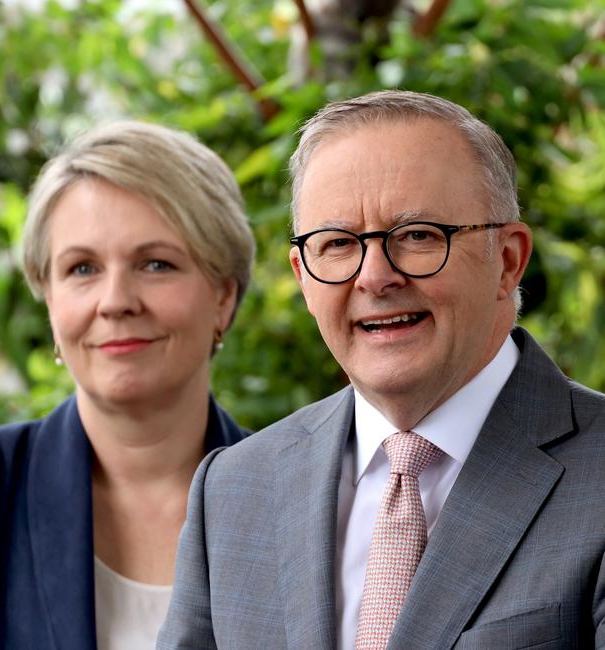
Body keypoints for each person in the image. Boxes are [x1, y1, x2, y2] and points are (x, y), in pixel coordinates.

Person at [157, 90, 605, 649]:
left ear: (507, 261)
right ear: (303, 275)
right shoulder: (233, 489)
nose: (374, 277)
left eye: (417, 236)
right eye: (339, 243)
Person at [0, 120, 255, 649]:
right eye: (82, 269)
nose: (115, 300)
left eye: (156, 264)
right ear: (49, 300)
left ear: (224, 297)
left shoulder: (303, 502)